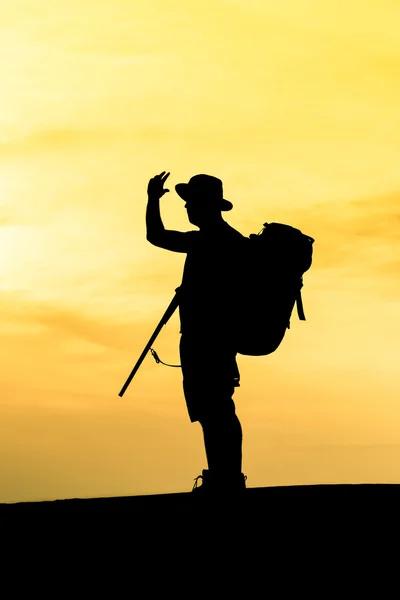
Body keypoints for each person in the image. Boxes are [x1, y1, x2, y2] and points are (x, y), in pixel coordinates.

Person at [146, 171, 247, 493]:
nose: (187, 209)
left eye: (191, 203)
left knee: (215, 410)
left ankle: (225, 479)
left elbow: (157, 236)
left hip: (207, 340)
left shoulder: (209, 241)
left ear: (205, 205)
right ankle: (224, 475)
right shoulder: (230, 241)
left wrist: (151, 201)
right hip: (216, 339)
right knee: (215, 409)